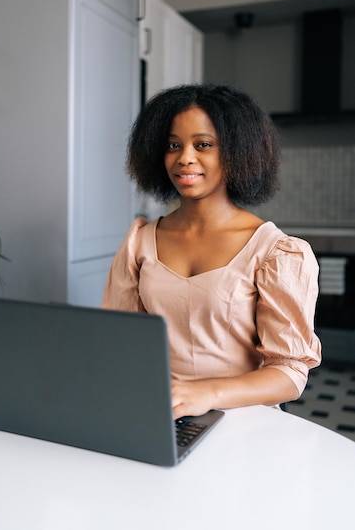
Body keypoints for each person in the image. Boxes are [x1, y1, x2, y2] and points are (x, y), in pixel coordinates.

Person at [101, 83, 321, 419]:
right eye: (173, 145)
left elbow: (290, 373)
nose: (184, 158)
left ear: (237, 152)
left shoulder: (276, 252)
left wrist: (205, 393)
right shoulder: (139, 241)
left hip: (244, 423)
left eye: (203, 144)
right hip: (161, 415)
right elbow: (118, 343)